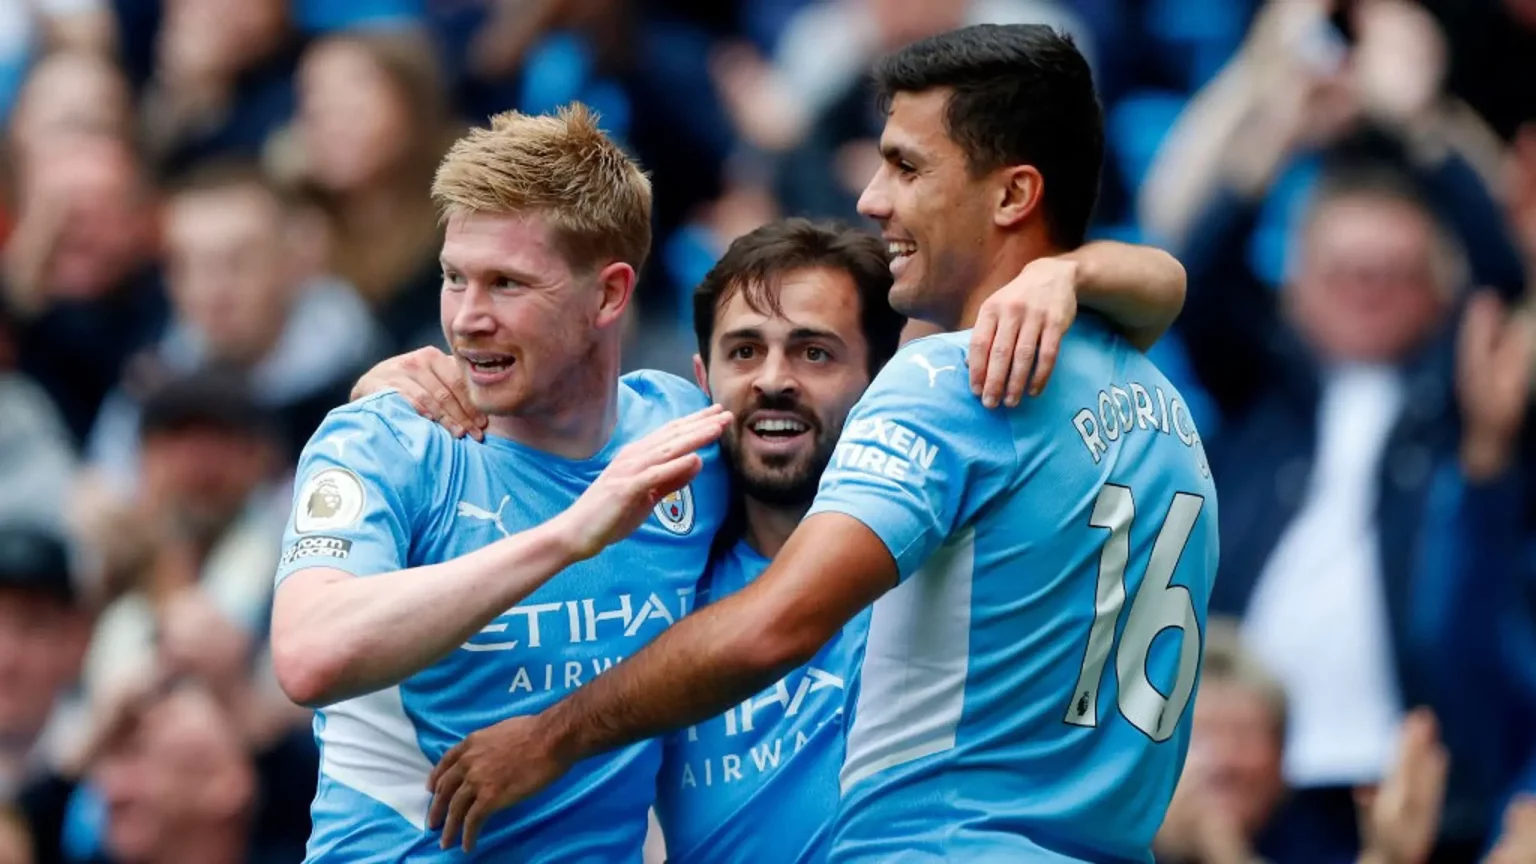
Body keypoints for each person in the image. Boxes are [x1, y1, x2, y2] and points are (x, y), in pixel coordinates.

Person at [422, 24, 1217, 862]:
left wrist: (550, 737)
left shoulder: (950, 383)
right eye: (742, 351)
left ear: (1013, 195)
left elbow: (775, 626)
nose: (874, 198)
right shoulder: (1162, 407)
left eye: (908, 167)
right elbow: (1160, 287)